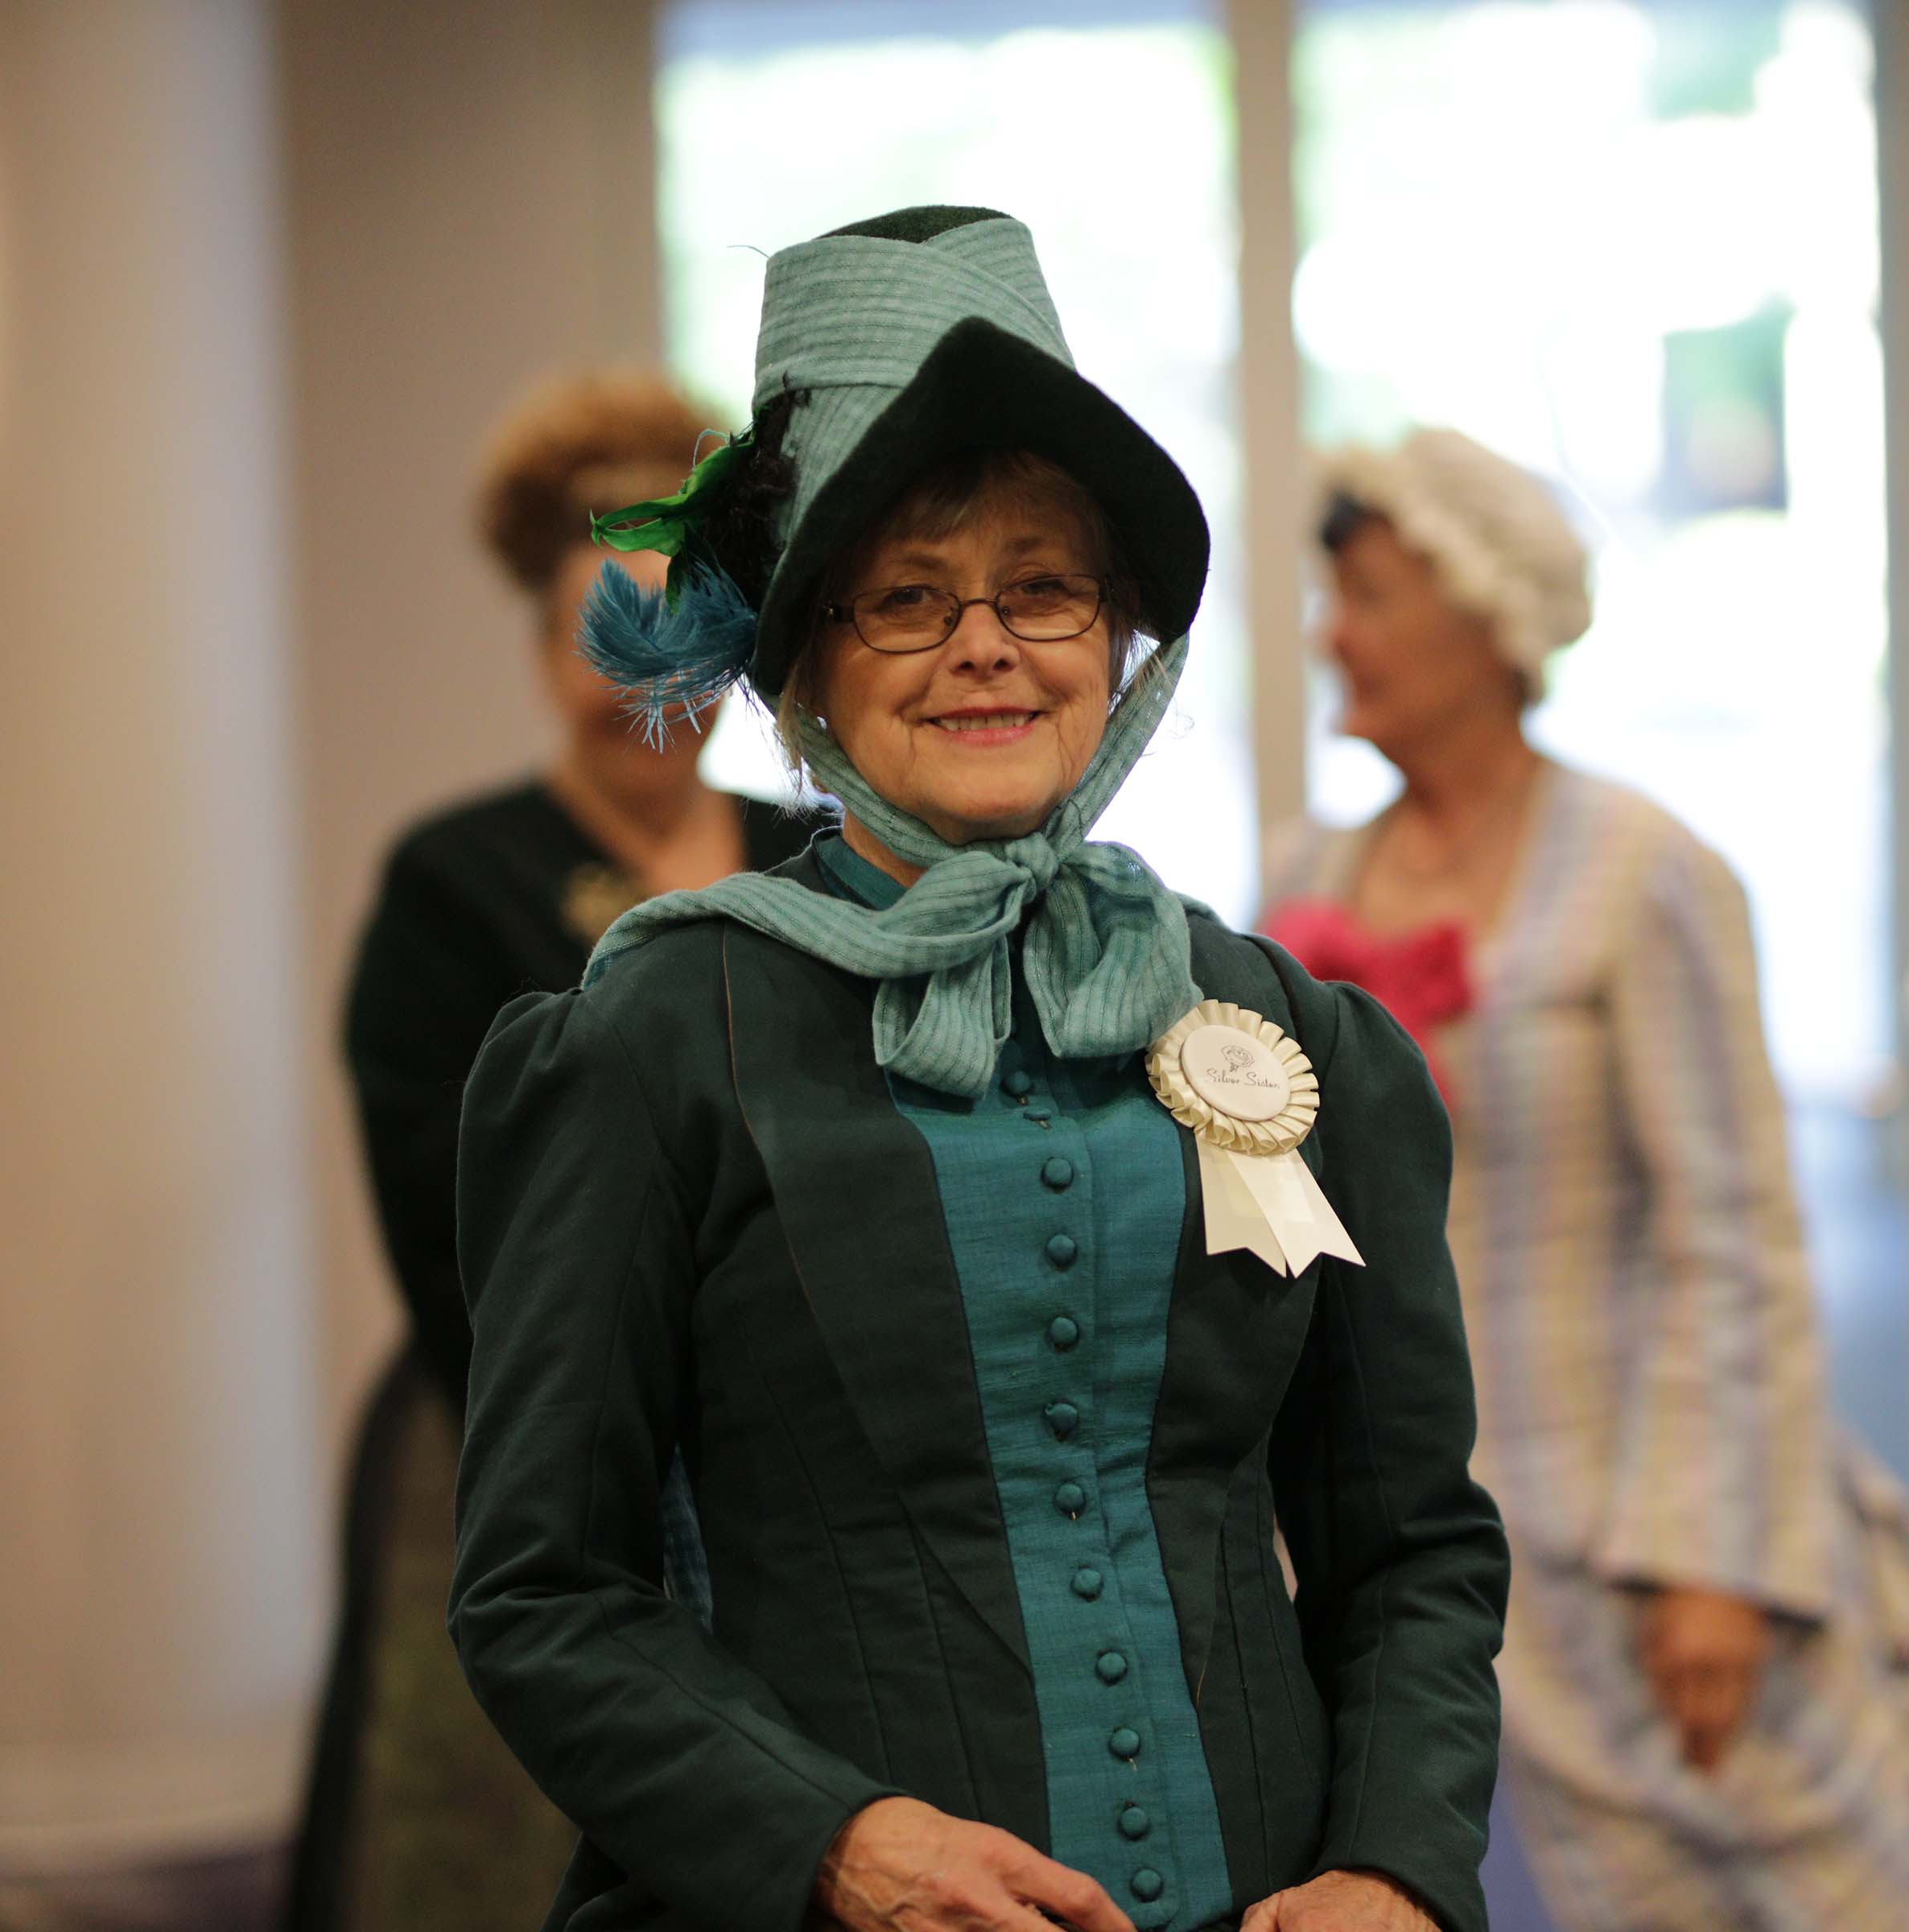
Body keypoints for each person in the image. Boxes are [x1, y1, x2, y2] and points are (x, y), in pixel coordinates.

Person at [450, 207, 1510, 1932]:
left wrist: (1396, 1865)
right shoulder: (652, 1045)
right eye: (906, 598)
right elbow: (540, 1593)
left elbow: (1414, 1551)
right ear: (798, 668)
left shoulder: (1286, 1033)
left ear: (1117, 640)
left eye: (1042, 586)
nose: (988, 644)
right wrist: (836, 1842)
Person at [1265, 428, 1909, 1932]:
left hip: (1636, 1530)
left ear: (1489, 618)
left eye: (1372, 595)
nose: (1333, 633)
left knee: (1792, 1876)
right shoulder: (1304, 883)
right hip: (1409, 1542)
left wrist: (1713, 1560)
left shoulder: (1643, 870)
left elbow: (1738, 1234)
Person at [288, 374, 814, 1932]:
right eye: (608, 642)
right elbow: (434, 1199)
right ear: (540, 649)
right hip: (516, 1427)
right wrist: (605, 1456)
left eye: (688, 642)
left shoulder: (816, 862)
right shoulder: (454, 882)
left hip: (783, 1435)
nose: (647, 687)